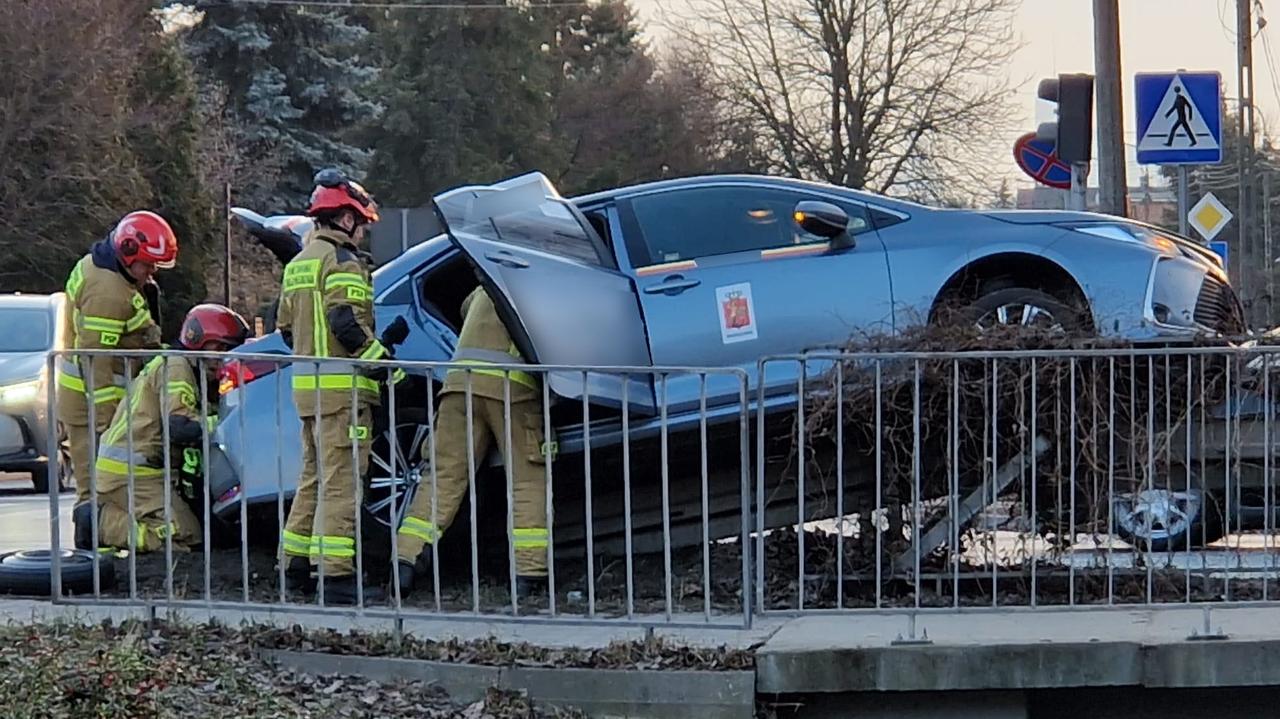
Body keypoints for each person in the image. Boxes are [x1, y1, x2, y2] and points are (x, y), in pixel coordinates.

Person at [277, 168, 408, 605]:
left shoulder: (299, 263)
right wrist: (381, 363)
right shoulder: (343, 261)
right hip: (343, 395)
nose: (363, 231)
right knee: (342, 484)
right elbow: (344, 322)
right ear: (344, 218)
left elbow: (285, 331)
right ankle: (335, 578)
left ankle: (293, 568)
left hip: (308, 392)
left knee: (312, 478)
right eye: (360, 222)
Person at [394, 286, 554, 601]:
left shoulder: (480, 291)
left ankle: (404, 563)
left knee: (441, 479)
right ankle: (529, 575)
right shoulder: (538, 284)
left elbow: (465, 309)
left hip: (458, 387)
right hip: (513, 390)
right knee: (527, 480)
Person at [74, 304, 250, 552]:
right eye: (221, 348)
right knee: (183, 539)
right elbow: (180, 425)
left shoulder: (193, 371)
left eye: (232, 350)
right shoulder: (177, 366)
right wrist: (228, 422)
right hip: (133, 474)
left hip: (149, 471)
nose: (226, 357)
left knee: (199, 536)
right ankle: (101, 523)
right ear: (198, 342)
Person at [57, 211, 175, 506]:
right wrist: (107, 424)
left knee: (101, 487)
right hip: (92, 406)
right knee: (94, 492)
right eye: (148, 265)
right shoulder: (107, 294)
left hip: (96, 400)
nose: (152, 272)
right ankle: (93, 546)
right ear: (127, 252)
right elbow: (97, 362)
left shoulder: (106, 269)